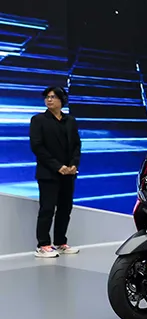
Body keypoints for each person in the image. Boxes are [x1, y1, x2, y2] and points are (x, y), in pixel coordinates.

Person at [29, 86, 81, 258]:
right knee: (47, 209)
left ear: (61, 100)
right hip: (48, 173)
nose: (49, 100)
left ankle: (60, 242)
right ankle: (43, 245)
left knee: (65, 209)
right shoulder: (38, 120)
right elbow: (37, 147)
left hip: (69, 173)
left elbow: (76, 145)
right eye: (47, 97)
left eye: (53, 97)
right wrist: (57, 166)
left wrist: (73, 165)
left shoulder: (70, 120)